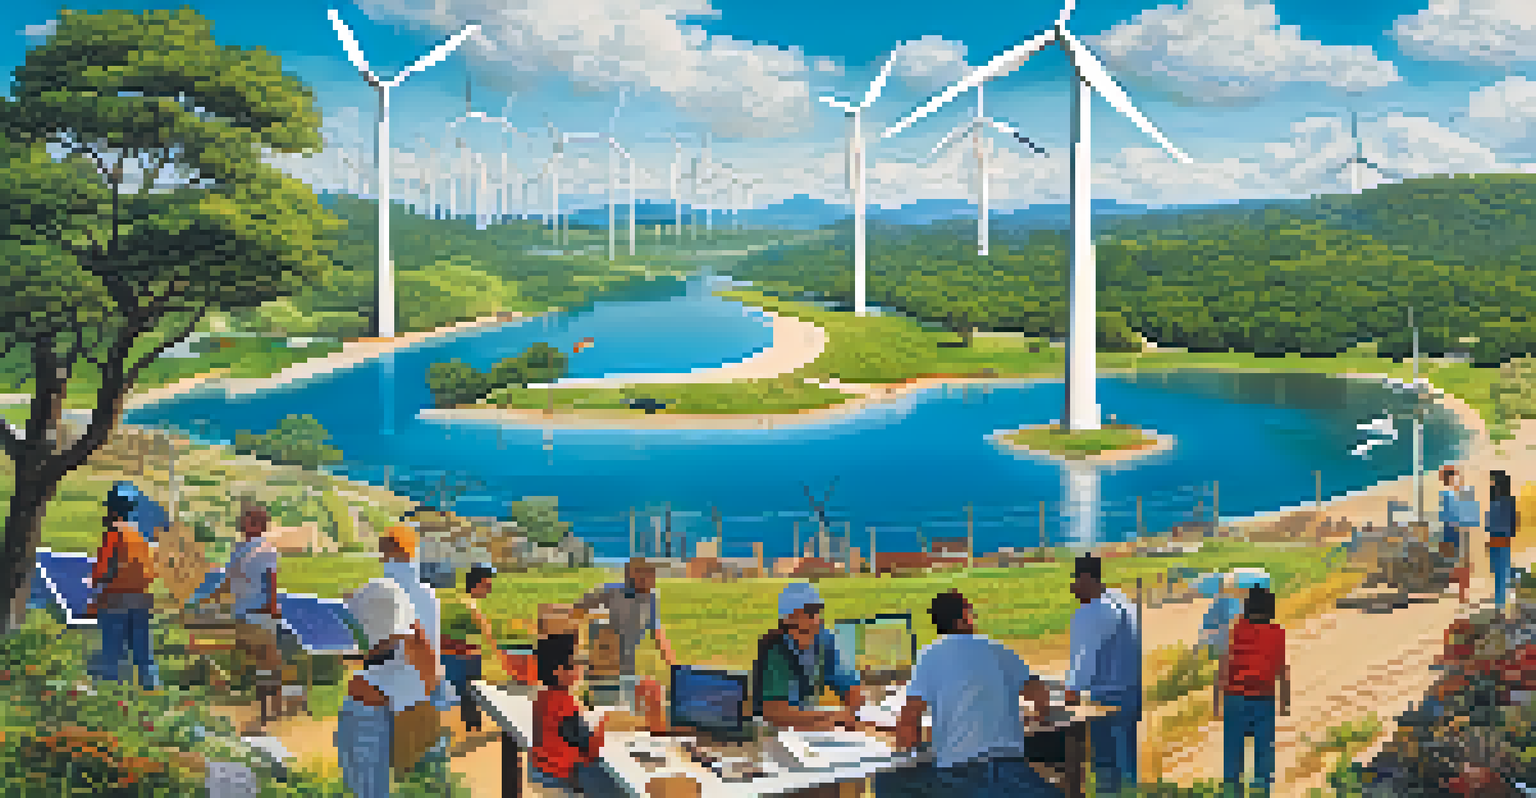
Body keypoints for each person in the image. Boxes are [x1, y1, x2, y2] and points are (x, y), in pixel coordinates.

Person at [878, 589, 1062, 798]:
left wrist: (909, 747)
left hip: (959, 775)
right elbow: (1040, 695)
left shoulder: (929, 656)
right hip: (1011, 769)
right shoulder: (999, 650)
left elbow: (909, 724)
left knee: (886, 781)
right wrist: (1036, 718)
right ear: (965, 616)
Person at [337, 578, 439, 798]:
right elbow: (431, 678)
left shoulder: (407, 637)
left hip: (370, 713)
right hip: (394, 710)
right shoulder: (412, 635)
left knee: (368, 786)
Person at [530, 632, 662, 797]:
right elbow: (590, 749)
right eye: (575, 663)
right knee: (624, 784)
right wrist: (604, 724)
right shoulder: (563, 704)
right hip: (564, 774)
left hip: (546, 768)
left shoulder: (544, 697)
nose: (581, 668)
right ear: (559, 672)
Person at [378, 524, 453, 778]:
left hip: (399, 682)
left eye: (384, 551)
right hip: (427, 680)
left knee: (403, 759)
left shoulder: (387, 589)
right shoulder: (428, 593)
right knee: (428, 757)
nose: (382, 557)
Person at [1066, 554, 1141, 797]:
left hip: (1106, 700)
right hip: (1131, 693)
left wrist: (1071, 692)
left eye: (1075, 580)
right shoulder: (1123, 602)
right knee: (1127, 766)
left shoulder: (1091, 611)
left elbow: (1084, 658)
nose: (1073, 588)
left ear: (1087, 579)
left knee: (1106, 769)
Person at [751, 581, 866, 732]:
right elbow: (776, 712)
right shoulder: (774, 651)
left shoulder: (824, 641)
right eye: (809, 613)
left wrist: (851, 711)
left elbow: (850, 686)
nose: (816, 620)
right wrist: (828, 716)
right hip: (773, 732)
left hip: (812, 727)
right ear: (788, 619)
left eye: (818, 611)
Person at [84, 482, 161, 691]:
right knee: (143, 651)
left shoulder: (113, 534)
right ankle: (151, 688)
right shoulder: (140, 535)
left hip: (116, 600)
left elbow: (101, 571)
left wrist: (93, 584)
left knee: (112, 650)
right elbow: (151, 570)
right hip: (142, 600)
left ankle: (110, 693)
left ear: (113, 511)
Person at [1213, 587, 1289, 798]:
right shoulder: (1277, 632)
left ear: (1247, 608)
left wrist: (1217, 702)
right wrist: (1285, 700)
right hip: (1264, 700)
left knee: (1232, 758)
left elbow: (1222, 667)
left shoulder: (1233, 631)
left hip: (1234, 700)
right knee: (1263, 759)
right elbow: (1282, 669)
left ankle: (1231, 793)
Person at [573, 558, 677, 711]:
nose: (651, 581)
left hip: (628, 659)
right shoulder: (611, 591)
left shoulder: (651, 598)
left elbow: (656, 631)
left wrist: (672, 663)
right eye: (646, 576)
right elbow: (577, 609)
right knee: (603, 701)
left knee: (625, 703)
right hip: (605, 659)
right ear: (631, 576)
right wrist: (581, 641)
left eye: (652, 576)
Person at [219, 504, 283, 730]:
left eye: (246, 519)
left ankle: (268, 710)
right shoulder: (241, 549)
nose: (241, 522)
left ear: (257, 524)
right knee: (263, 664)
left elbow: (271, 581)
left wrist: (272, 606)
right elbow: (229, 581)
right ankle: (268, 709)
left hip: (257, 612)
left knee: (265, 663)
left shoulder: (263, 550)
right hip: (248, 613)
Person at [440, 565, 509, 734]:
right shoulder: (469, 607)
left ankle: (469, 728)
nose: (489, 589)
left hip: (450, 657)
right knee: (471, 695)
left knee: (465, 697)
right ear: (476, 585)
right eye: (487, 585)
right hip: (464, 658)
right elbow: (486, 634)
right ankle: (473, 731)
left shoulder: (456, 601)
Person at [1488, 469, 1518, 611]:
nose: (1491, 483)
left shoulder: (1507, 501)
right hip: (1495, 538)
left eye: (1493, 480)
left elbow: (1512, 523)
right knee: (1498, 570)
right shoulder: (1494, 500)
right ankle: (1500, 600)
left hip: (1502, 538)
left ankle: (1501, 601)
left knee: (1502, 569)